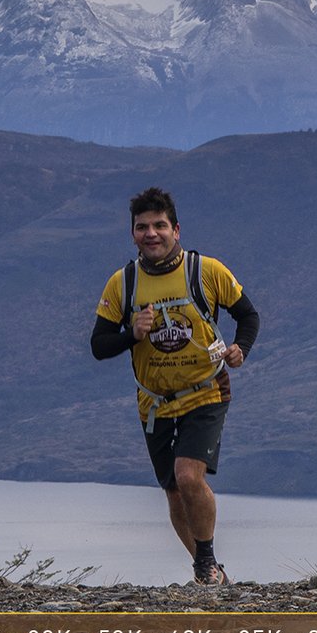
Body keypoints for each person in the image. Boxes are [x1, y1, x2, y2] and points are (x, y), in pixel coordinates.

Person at [91, 187, 260, 585]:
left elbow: (248, 316)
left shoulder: (207, 272)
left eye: (160, 226)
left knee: (188, 476)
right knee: (173, 492)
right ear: (133, 233)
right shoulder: (123, 284)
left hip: (206, 389)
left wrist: (241, 350)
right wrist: (133, 333)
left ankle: (205, 562)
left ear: (177, 230)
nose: (151, 234)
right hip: (154, 403)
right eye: (142, 227)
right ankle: (210, 573)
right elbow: (99, 346)